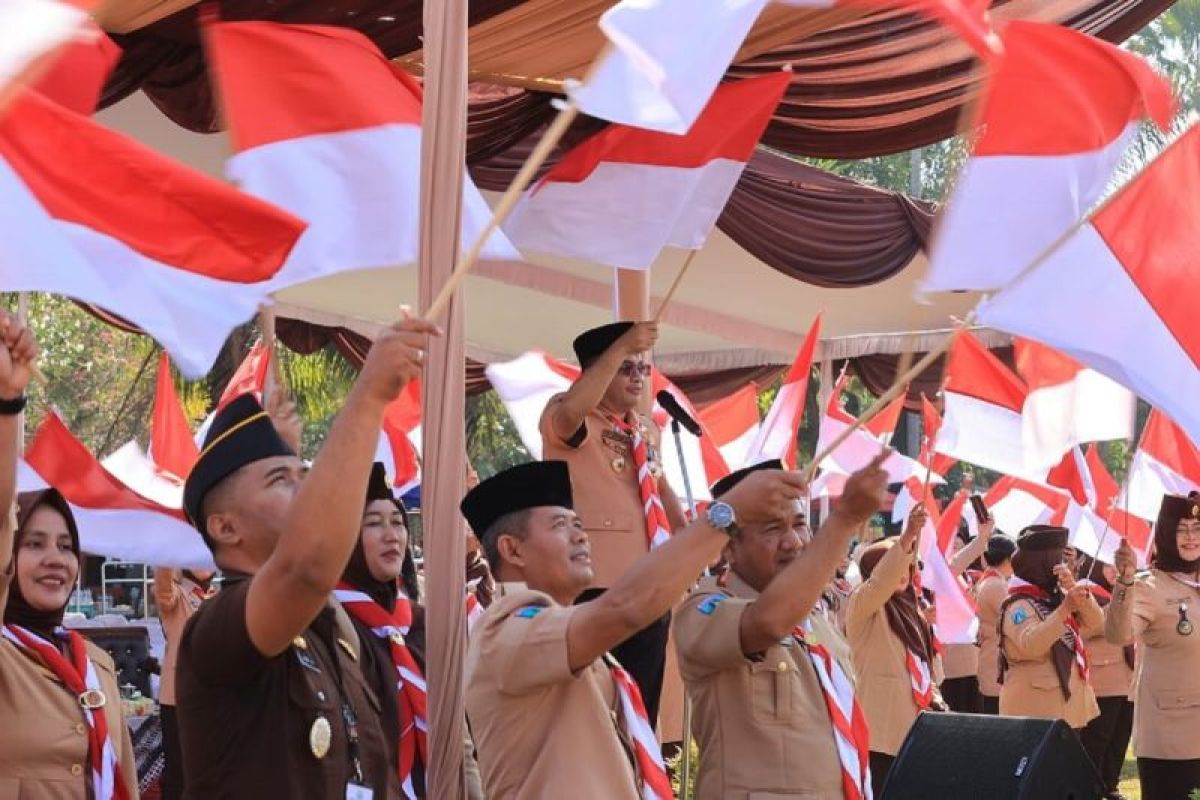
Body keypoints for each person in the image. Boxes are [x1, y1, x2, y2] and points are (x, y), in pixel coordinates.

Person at [176, 316, 437, 799]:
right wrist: (370, 396)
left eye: (303, 477)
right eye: (281, 481)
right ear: (224, 527)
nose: (305, 492)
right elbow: (306, 566)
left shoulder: (336, 632)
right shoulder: (218, 628)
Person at [463, 458, 806, 799]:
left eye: (579, 523)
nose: (581, 535)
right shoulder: (504, 628)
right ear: (512, 549)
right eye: (559, 526)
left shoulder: (572, 634)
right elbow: (626, 607)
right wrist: (727, 515)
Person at [672, 457, 889, 799]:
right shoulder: (705, 607)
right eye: (772, 529)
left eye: (800, 524)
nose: (794, 542)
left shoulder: (817, 621)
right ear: (728, 546)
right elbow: (767, 622)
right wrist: (845, 519)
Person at [0, 313, 141, 799]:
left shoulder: (94, 662)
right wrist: (8, 402)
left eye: (66, 546)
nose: (55, 558)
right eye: (34, 544)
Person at [539, 321, 686, 722]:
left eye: (642, 368)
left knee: (640, 714)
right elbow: (570, 413)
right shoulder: (570, 416)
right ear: (596, 370)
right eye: (626, 367)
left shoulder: (642, 429)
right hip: (597, 587)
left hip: (649, 586)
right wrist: (619, 347)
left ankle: (637, 784)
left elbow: (659, 488)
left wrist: (695, 544)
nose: (638, 377)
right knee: (596, 712)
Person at [333, 462, 483, 799]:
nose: (391, 535)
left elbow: (458, 739)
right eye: (373, 523)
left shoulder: (419, 623)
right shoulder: (328, 624)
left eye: (398, 523)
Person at [1108, 493, 1200, 800]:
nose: (1191, 537)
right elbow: (1119, 635)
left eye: (1197, 527)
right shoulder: (1149, 587)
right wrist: (1125, 583)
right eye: (1181, 528)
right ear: (1165, 533)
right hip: (1173, 741)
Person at [849, 504, 945, 795]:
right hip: (880, 732)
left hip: (914, 726)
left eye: (909, 565)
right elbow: (881, 582)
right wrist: (907, 538)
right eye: (897, 564)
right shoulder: (864, 604)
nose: (905, 571)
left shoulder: (911, 611)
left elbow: (926, 669)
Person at [998, 525, 1101, 729]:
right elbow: (1031, 644)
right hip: (1035, 711)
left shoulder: (1054, 596)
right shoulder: (1018, 604)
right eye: (1057, 560)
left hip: (1068, 709)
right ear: (1041, 563)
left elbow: (1096, 622)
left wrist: (1072, 586)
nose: (1062, 565)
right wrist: (1065, 609)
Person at [1074, 552, 1134, 800]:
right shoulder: (1084, 590)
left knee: (1120, 737)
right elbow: (1085, 630)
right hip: (1101, 678)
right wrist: (1115, 612)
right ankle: (1089, 787)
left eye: (1117, 565)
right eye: (1108, 565)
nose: (1114, 570)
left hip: (1129, 676)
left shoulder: (1129, 589)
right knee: (1098, 738)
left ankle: (1110, 784)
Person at [152, 565, 215, 800]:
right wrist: (169, 551)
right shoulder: (176, 596)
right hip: (178, 697)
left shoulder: (219, 597)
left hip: (214, 697)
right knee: (179, 772)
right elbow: (163, 587)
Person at [938, 514, 996, 714]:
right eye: (950, 541)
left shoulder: (970, 578)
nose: (955, 543)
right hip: (952, 662)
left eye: (958, 539)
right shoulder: (937, 575)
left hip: (974, 658)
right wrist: (981, 540)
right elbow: (952, 567)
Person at [975, 533, 1017, 715]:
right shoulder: (996, 585)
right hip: (996, 660)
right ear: (1009, 559)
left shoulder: (990, 581)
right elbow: (1015, 618)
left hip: (991, 656)